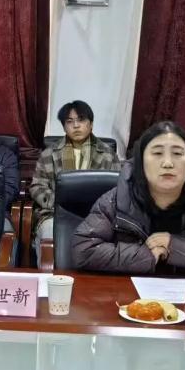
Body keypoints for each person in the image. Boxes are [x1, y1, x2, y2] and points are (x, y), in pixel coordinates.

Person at [72, 121, 185, 277]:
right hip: (130, 300)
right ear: (141, 163)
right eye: (157, 153)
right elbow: (82, 250)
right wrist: (146, 256)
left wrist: (175, 247)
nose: (168, 163)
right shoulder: (117, 199)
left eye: (178, 154)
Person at [29, 100, 121, 259]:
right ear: (64, 127)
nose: (76, 126)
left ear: (91, 124)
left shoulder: (108, 154)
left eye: (81, 120)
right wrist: (59, 205)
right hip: (55, 214)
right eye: (70, 122)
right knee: (49, 231)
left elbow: (118, 190)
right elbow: (37, 186)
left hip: (98, 216)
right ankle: (51, 274)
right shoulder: (49, 154)